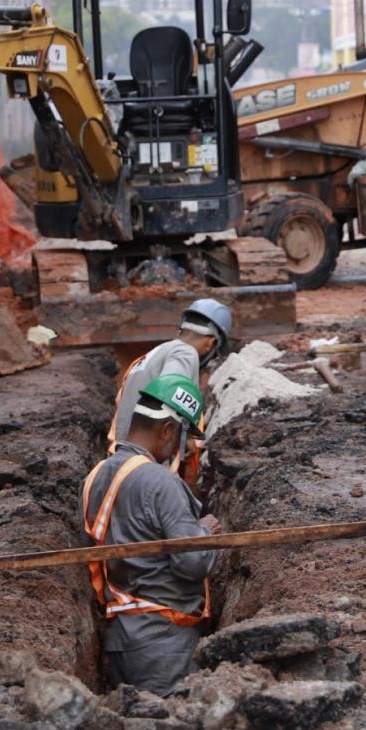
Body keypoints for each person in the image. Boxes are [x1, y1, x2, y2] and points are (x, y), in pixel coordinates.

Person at [83, 375, 220, 695]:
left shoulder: (96, 477)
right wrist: (205, 533)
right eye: (183, 437)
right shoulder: (161, 483)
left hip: (120, 640)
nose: (183, 450)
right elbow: (193, 563)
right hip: (164, 646)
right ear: (167, 429)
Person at [107, 298, 233, 490]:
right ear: (210, 343)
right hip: (148, 465)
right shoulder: (185, 353)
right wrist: (188, 436)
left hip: (124, 457)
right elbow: (169, 390)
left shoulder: (154, 354)